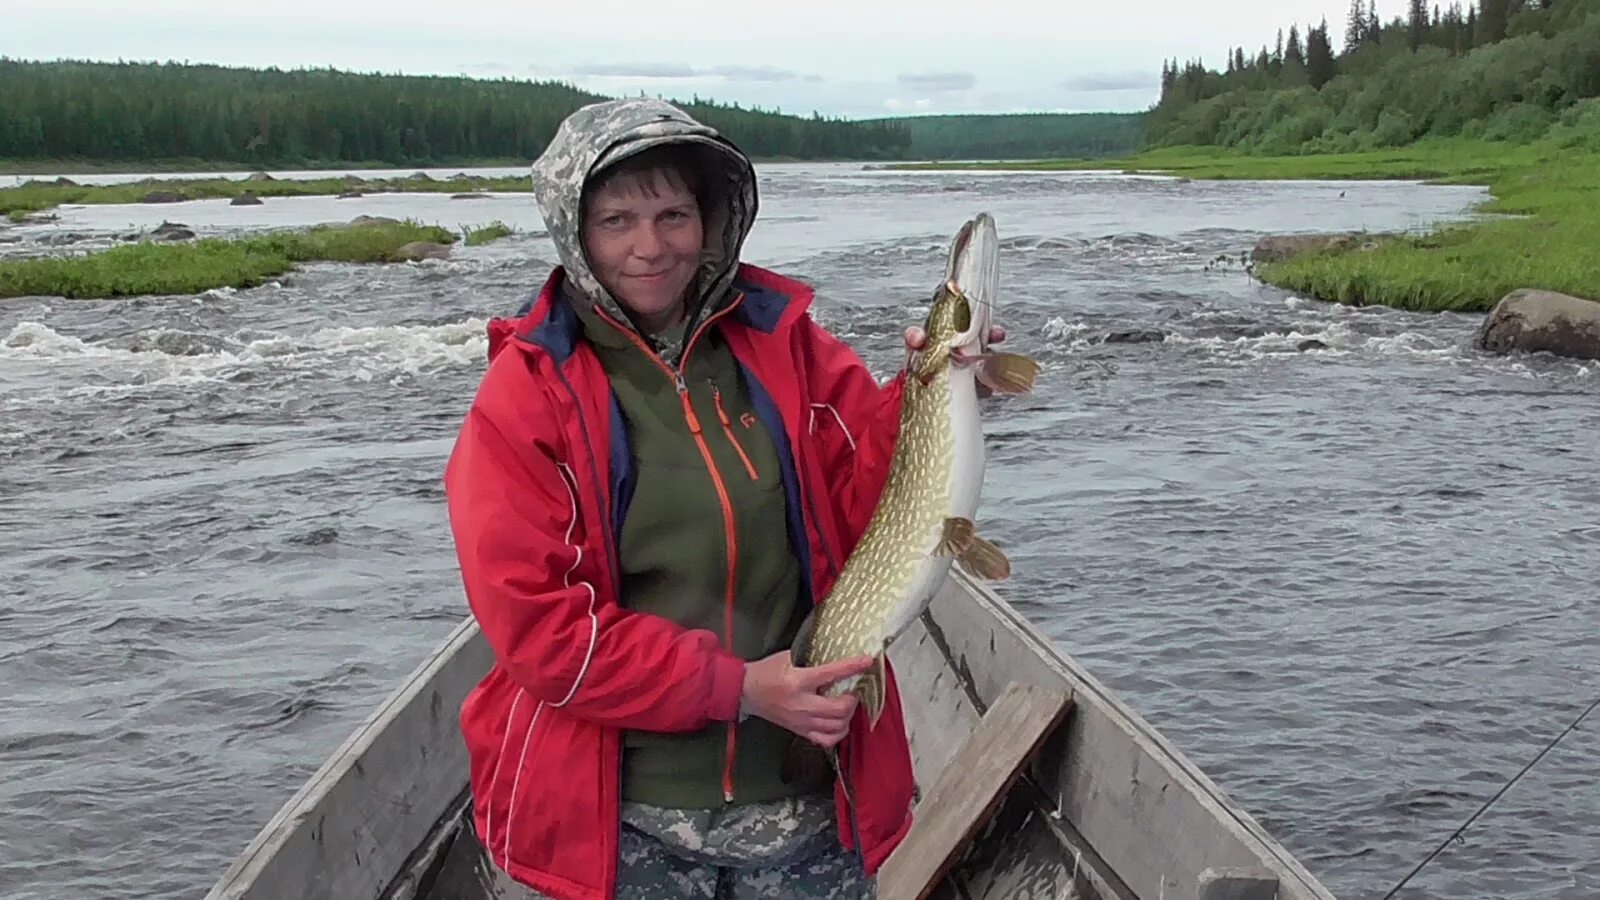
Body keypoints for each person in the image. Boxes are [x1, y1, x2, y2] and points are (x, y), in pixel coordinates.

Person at [442, 98, 1002, 900]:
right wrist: (739, 688)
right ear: (575, 233)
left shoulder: (784, 342)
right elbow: (541, 632)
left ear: (710, 219)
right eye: (617, 219)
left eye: (674, 214)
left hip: (803, 805)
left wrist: (937, 396)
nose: (650, 247)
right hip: (621, 825)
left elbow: (865, 498)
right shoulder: (525, 397)